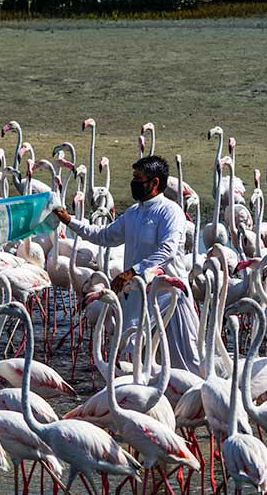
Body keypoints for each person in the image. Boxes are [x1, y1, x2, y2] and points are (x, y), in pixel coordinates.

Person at [52, 155, 200, 374]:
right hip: (138, 298)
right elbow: (103, 236)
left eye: (138, 178)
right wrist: (69, 221)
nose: (133, 183)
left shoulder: (171, 212)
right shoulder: (133, 213)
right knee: (137, 361)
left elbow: (167, 251)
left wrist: (131, 272)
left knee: (186, 364)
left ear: (154, 183)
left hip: (168, 297)